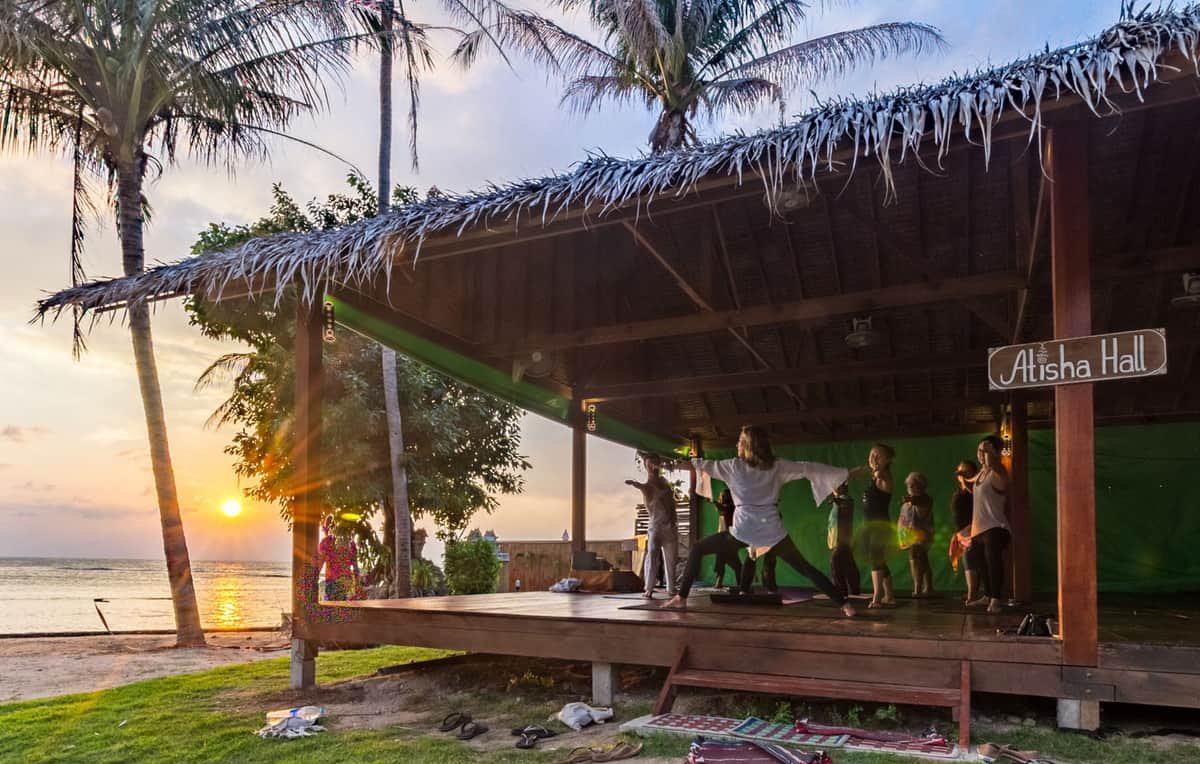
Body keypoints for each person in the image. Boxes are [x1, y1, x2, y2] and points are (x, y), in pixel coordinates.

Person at [662, 425, 863, 617]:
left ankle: (681, 597)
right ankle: (845, 605)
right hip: (771, 532)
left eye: (740, 441)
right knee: (806, 569)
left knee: (698, 548)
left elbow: (699, 465)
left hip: (743, 532)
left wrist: (673, 463)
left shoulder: (733, 466)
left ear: (749, 445)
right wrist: (846, 473)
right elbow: (809, 468)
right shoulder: (776, 466)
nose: (736, 445)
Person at [968, 435, 1011, 614]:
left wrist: (990, 455)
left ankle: (995, 599)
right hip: (979, 528)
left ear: (994, 453)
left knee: (992, 558)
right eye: (979, 450)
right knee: (977, 558)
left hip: (996, 526)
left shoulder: (998, 471)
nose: (980, 454)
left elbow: (996, 465)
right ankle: (987, 594)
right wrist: (964, 480)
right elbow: (972, 482)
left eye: (984, 451)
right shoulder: (981, 474)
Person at [626, 452, 679, 599]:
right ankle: (648, 588)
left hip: (670, 527)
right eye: (649, 464)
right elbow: (643, 487)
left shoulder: (665, 483)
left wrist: (674, 521)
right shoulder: (647, 486)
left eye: (654, 463)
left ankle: (671, 588)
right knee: (652, 554)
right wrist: (635, 484)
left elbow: (672, 504)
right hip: (655, 527)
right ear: (646, 466)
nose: (652, 467)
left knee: (671, 559)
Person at [859, 444, 896, 608]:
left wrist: (873, 465)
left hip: (880, 526)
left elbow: (876, 470)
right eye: (871, 454)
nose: (873, 458)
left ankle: (877, 596)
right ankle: (890, 595)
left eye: (877, 455)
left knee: (876, 558)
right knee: (877, 559)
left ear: (887, 460)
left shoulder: (883, 474)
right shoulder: (875, 477)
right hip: (869, 526)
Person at [950, 460, 983, 604]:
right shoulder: (960, 491)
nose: (962, 475)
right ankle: (972, 592)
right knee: (969, 559)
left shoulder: (976, 489)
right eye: (960, 472)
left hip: (975, 529)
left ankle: (972, 594)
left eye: (966, 471)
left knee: (970, 557)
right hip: (962, 532)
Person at [898, 472, 935, 598]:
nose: (910, 487)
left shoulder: (925, 499)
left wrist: (910, 500)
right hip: (910, 537)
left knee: (916, 556)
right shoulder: (907, 501)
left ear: (921, 486)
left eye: (914, 484)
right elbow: (903, 520)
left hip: (921, 536)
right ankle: (928, 587)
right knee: (923, 560)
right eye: (909, 484)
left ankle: (917, 588)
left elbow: (921, 504)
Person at [826, 482, 861, 598]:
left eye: (837, 486)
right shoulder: (837, 501)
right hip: (839, 538)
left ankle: (841, 591)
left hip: (843, 538)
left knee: (835, 561)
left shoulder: (845, 499)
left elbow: (846, 504)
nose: (834, 489)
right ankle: (854, 589)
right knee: (848, 563)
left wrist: (838, 501)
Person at [318, 516, 363, 601]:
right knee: (344, 608)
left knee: (333, 609)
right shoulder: (351, 543)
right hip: (347, 581)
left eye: (325, 529)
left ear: (328, 529)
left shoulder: (326, 542)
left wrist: (313, 580)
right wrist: (357, 585)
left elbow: (320, 564)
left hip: (332, 581)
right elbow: (355, 568)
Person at [712, 489, 741, 590]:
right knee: (721, 560)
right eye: (721, 496)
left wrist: (713, 501)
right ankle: (719, 582)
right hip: (722, 538)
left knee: (736, 564)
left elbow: (723, 510)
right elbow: (721, 509)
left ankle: (740, 584)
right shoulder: (723, 508)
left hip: (729, 539)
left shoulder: (731, 507)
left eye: (725, 496)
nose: (723, 498)